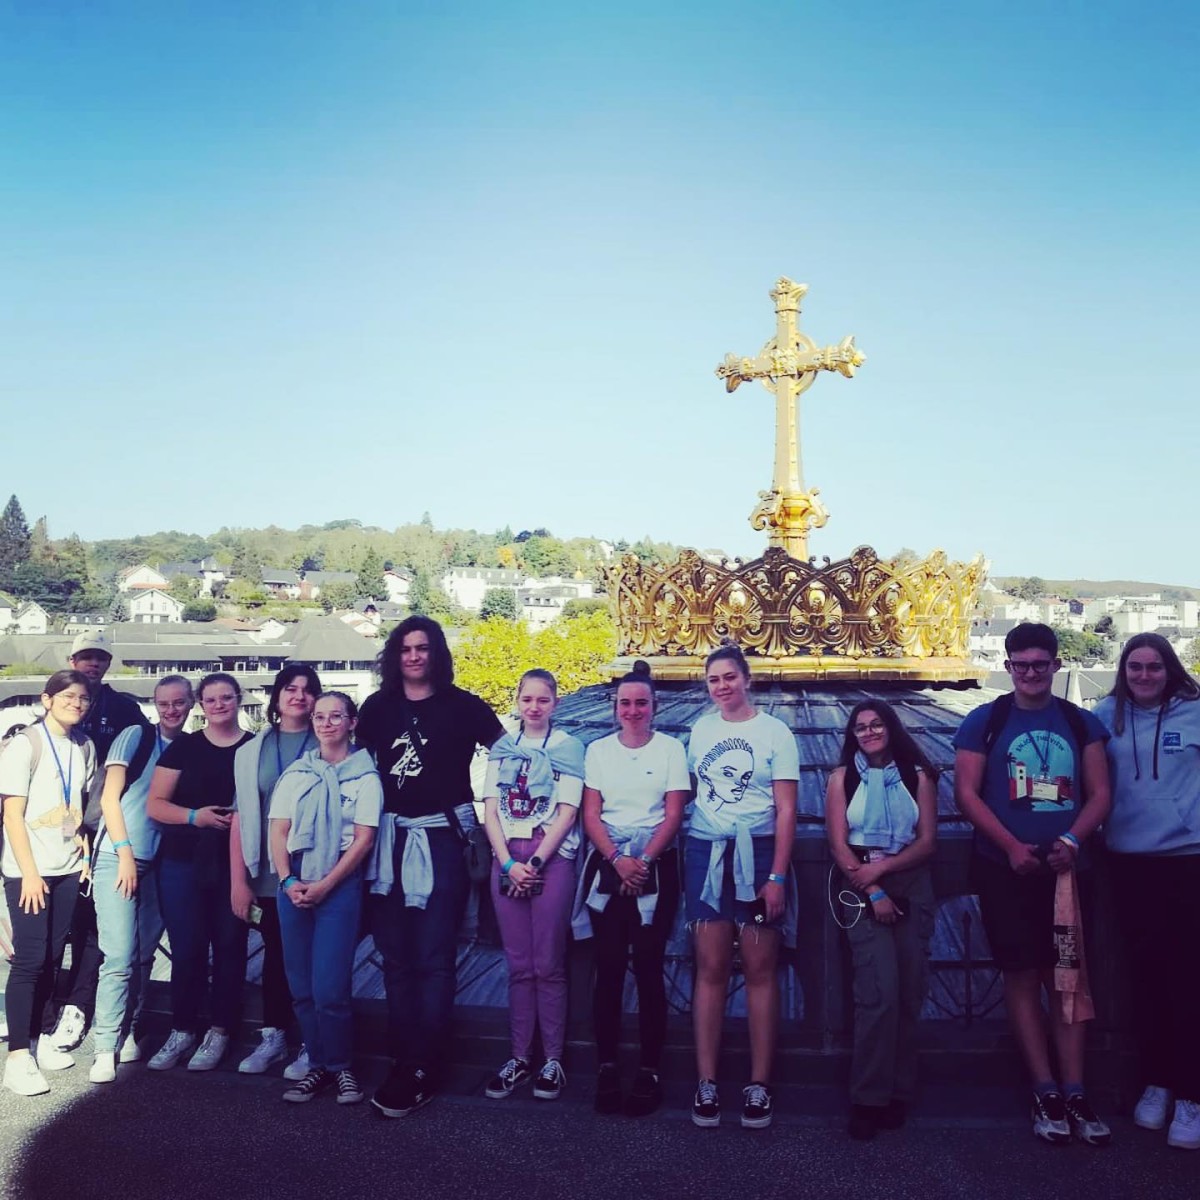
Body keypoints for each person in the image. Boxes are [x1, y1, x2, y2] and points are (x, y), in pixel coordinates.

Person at [954, 623, 1112, 1146]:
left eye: (1039, 664)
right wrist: (1011, 847)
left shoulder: (1080, 721)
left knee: (1067, 976)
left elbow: (1099, 793)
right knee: (1021, 974)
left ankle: (1075, 1087)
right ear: (1007, 666)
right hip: (1006, 871)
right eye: (1020, 664)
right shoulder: (985, 720)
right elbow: (967, 794)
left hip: (1069, 872)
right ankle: (1045, 1087)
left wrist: (1072, 840)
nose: (1030, 673)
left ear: (1056, 666)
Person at [358, 616, 504, 1118]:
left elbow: (509, 756)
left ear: (436, 653)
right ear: (394, 655)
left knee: (434, 955)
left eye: (423, 648)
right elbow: (357, 768)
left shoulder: (464, 707)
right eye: (405, 648)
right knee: (395, 954)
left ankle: (426, 1062)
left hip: (443, 838)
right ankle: (403, 1053)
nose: (414, 656)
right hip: (390, 840)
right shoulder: (377, 708)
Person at [685, 643, 799, 1130]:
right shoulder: (700, 729)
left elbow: (788, 809)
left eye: (729, 677)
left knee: (759, 966)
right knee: (709, 965)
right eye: (714, 679)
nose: (722, 686)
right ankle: (706, 1081)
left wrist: (776, 876)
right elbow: (693, 792)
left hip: (757, 853)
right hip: (705, 850)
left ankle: (758, 1083)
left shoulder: (775, 732)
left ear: (746, 679)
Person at [1094, 633, 1200, 1150]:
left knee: (1189, 980)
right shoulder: (1105, 712)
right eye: (1134, 667)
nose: (1143, 676)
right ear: (1123, 670)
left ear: (1169, 668)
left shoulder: (1196, 711)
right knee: (1145, 977)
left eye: (1153, 667)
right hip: (1127, 864)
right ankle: (1157, 1083)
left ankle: (1191, 1093)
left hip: (1187, 862)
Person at [825, 699, 938, 1139]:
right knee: (879, 991)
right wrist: (872, 888)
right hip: (859, 885)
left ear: (890, 728)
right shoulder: (841, 778)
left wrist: (884, 872)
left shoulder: (920, 776)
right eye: (861, 728)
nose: (869, 733)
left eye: (876, 725)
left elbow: (927, 842)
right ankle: (868, 1096)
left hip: (908, 879)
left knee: (910, 991)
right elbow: (839, 846)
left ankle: (899, 1091)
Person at [579, 661, 687, 1117]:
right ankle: (606, 1065)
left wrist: (641, 861)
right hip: (609, 861)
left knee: (647, 966)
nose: (633, 710)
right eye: (625, 703)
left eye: (641, 702)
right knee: (607, 967)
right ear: (614, 707)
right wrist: (618, 859)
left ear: (654, 707)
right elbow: (591, 813)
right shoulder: (598, 751)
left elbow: (674, 812)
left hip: (655, 867)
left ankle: (649, 1069)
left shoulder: (670, 749)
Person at [270, 691, 382, 1106]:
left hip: (338, 883)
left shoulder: (365, 776)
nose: (327, 723)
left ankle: (341, 1066)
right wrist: (287, 880)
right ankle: (316, 1063)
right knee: (300, 986)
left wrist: (326, 884)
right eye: (320, 716)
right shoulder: (297, 773)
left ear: (352, 723)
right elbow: (278, 829)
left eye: (337, 716)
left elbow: (364, 838)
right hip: (294, 882)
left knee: (330, 987)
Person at [481, 669, 585, 1103]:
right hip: (507, 858)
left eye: (543, 700)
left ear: (555, 703)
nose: (534, 707)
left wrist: (535, 862)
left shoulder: (569, 749)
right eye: (527, 699)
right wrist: (508, 863)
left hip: (550, 856)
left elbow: (567, 810)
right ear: (518, 701)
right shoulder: (503, 750)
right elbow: (490, 809)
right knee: (519, 963)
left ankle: (553, 1059)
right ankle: (520, 1056)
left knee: (548, 962)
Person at [43, 629, 149, 1055]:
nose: (92, 664)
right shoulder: (56, 706)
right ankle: (42, 1007)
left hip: (105, 830)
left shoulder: (124, 708)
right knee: (54, 926)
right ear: (72, 659)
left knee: (91, 927)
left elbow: (143, 764)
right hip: (58, 832)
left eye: (100, 658)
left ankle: (76, 1007)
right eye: (85, 656)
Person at [88, 674, 194, 1084]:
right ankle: (104, 1044)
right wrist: (125, 854)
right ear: (155, 704)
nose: (172, 710)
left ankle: (131, 1026)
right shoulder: (136, 736)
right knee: (117, 955)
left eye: (180, 702)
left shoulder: (188, 747)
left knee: (145, 953)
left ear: (190, 704)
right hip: (120, 857)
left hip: (161, 861)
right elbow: (109, 798)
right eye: (165, 703)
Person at [146, 672, 253, 1072]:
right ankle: (183, 1029)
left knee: (229, 948)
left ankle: (221, 1031)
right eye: (211, 699)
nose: (219, 705)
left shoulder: (254, 748)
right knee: (187, 949)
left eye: (226, 697)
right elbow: (155, 804)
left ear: (238, 700)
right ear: (200, 705)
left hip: (235, 865)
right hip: (182, 860)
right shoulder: (184, 748)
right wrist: (196, 817)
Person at [1, 670, 95, 1096]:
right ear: (48, 699)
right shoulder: (26, 745)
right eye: (68, 696)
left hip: (68, 866)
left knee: (54, 956)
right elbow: (11, 816)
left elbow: (76, 809)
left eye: (83, 698)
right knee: (30, 959)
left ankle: (41, 1036)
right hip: (29, 871)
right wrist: (31, 872)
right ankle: (19, 1056)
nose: (76, 703)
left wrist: (84, 856)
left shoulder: (84, 745)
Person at [231, 665, 321, 1079]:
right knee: (276, 956)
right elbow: (240, 817)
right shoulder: (252, 750)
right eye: (290, 688)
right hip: (267, 871)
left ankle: (313, 1042)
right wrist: (239, 880)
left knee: (315, 958)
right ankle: (274, 1036)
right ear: (277, 697)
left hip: (317, 869)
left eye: (307, 690)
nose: (299, 696)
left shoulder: (329, 742)